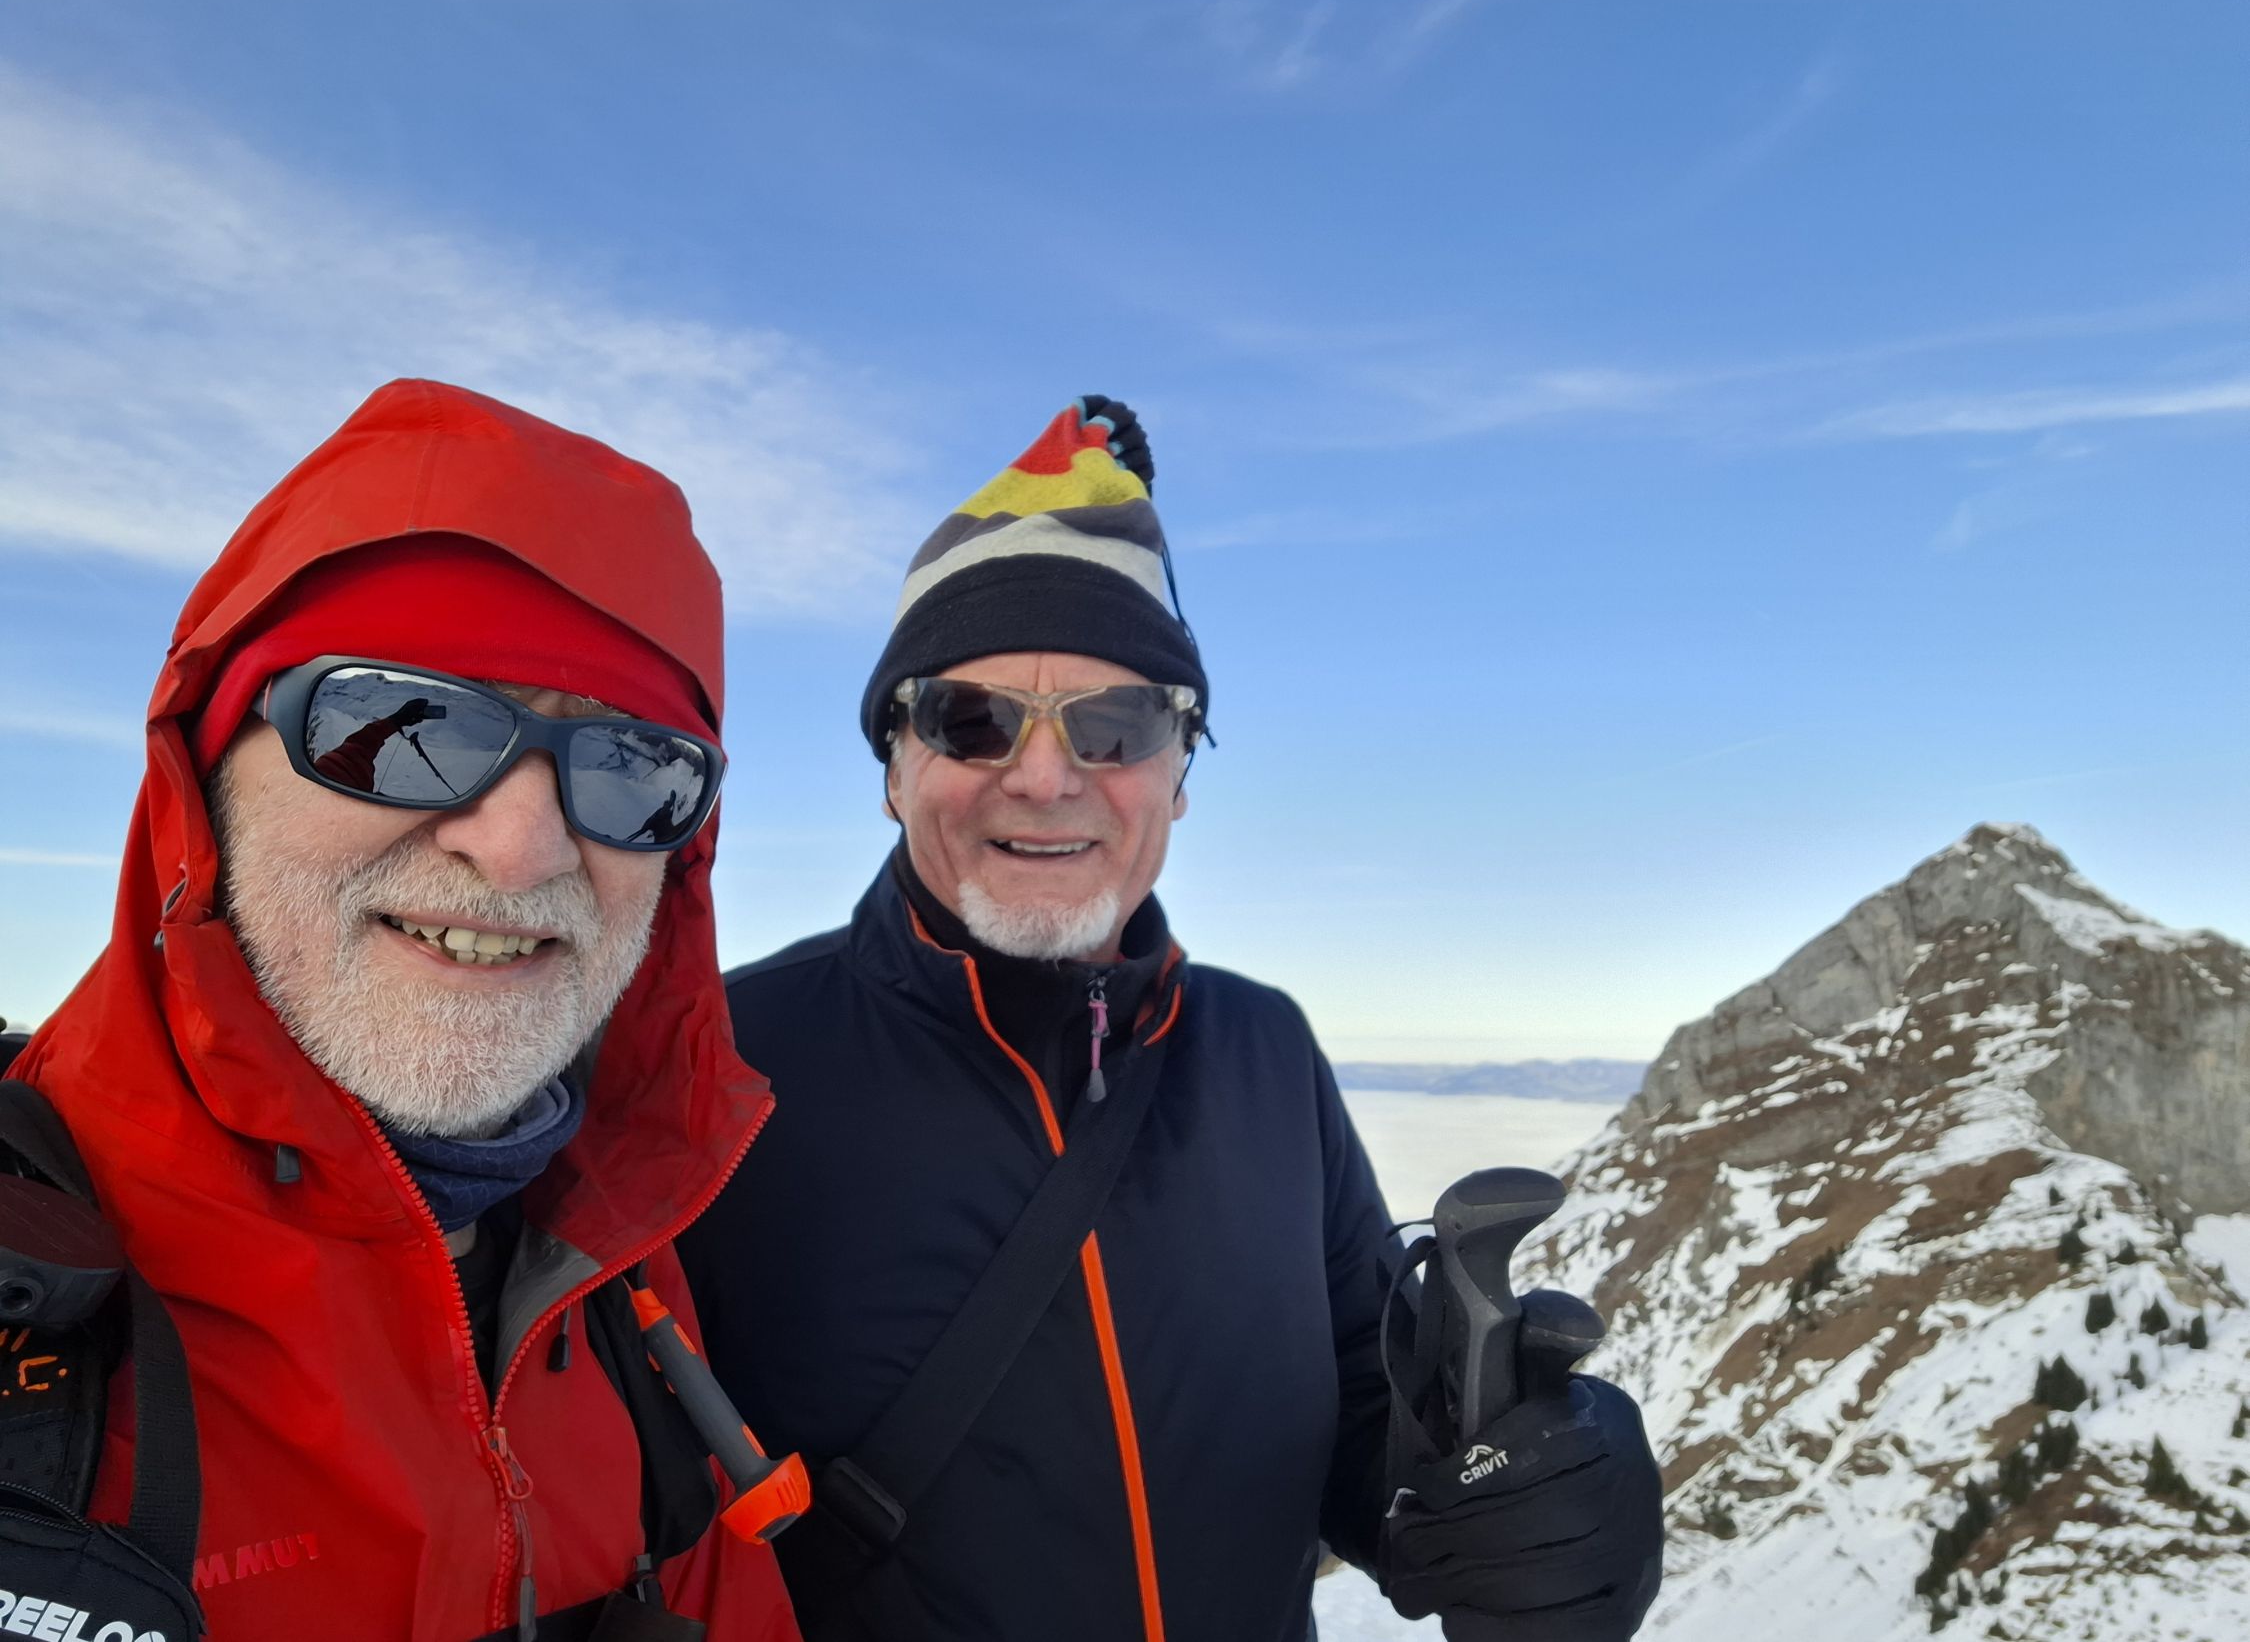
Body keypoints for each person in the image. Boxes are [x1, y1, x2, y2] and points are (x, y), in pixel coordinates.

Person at [679, 398, 1663, 1641]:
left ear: (1181, 771)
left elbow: (1367, 1414)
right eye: (971, 717)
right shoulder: (723, 1065)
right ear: (892, 765)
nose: (1046, 775)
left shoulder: (1263, 1051)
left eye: (1119, 722)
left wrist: (1533, 1499)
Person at [6, 380, 801, 1640]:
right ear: (202, 778)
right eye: (397, 722)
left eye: (630, 764)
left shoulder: (619, 1276)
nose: (521, 846)